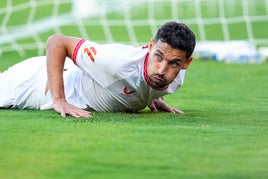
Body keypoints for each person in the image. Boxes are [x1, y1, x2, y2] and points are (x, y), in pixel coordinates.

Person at [0, 21, 196, 118]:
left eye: (174, 63)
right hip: (35, 84)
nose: (161, 70)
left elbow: (143, 77)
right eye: (158, 57)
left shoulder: (176, 79)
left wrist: (152, 96)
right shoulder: (117, 61)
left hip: (73, 73)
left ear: (186, 63)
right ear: (150, 46)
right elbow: (56, 42)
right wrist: (59, 100)